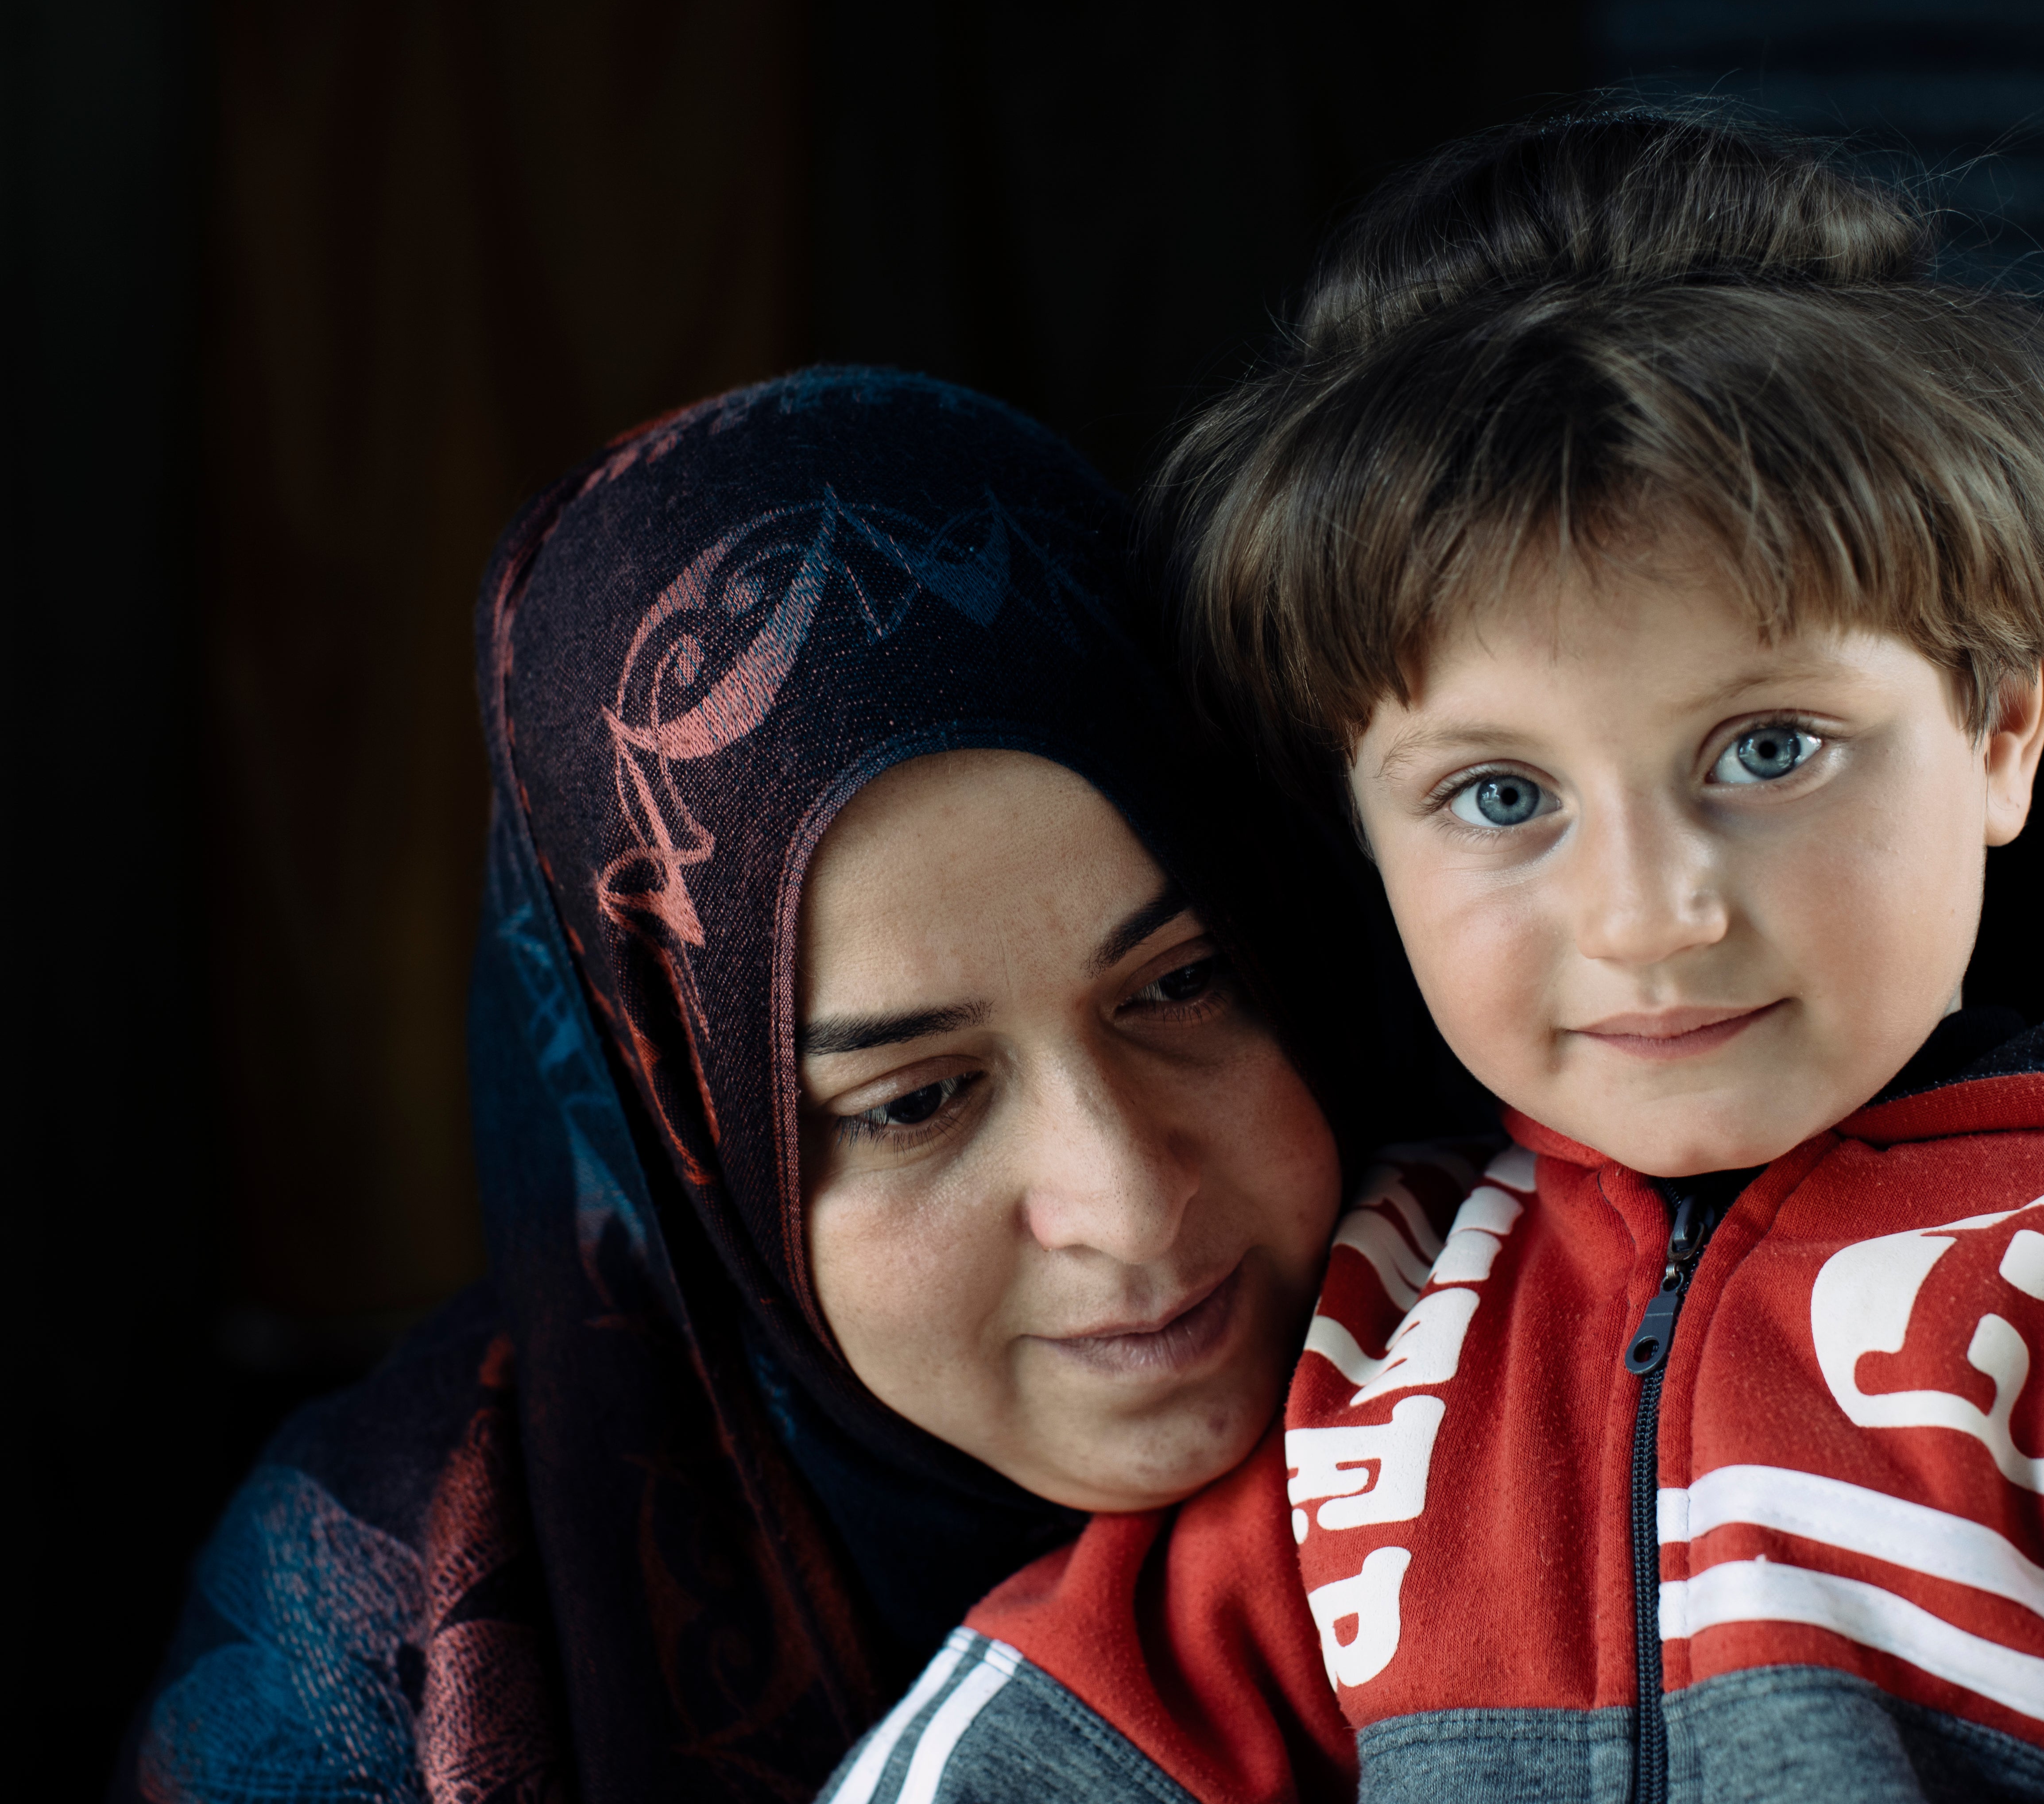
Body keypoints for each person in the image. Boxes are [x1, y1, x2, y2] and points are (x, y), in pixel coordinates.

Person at [817, 112, 2044, 1801]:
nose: (1651, 912)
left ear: (2001, 724)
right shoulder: (1380, 1345)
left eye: (1767, 750)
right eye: (1501, 792)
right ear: (1352, 823)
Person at [114, 367, 1383, 1804]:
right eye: (914, 1102)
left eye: (1180, 984)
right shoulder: (377, 1649)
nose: (1133, 1202)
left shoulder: (1604, 1373)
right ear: (684, 1151)